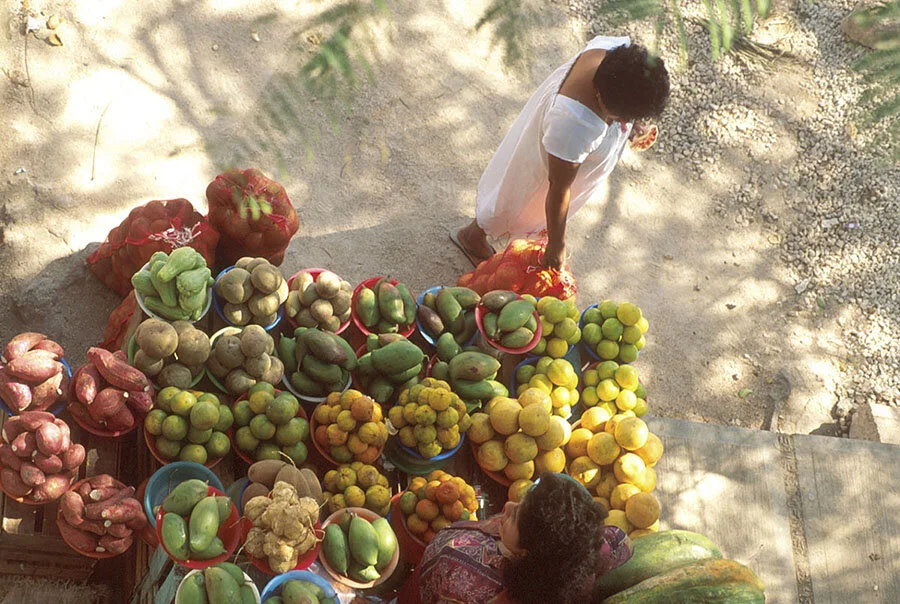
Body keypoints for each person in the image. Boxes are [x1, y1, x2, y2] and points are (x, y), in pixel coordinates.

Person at [451, 36, 670, 270]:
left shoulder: (613, 54)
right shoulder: (574, 125)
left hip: (566, 141)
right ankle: (473, 237)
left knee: (516, 196)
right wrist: (557, 245)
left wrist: (628, 125)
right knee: (521, 199)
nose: (627, 121)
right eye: (625, 117)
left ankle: (480, 234)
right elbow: (558, 188)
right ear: (605, 101)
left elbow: (625, 92)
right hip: (554, 162)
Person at [412, 472, 632, 604]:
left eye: (515, 516)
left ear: (523, 553)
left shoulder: (457, 567)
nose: (508, 505)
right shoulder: (580, 558)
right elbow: (624, 543)